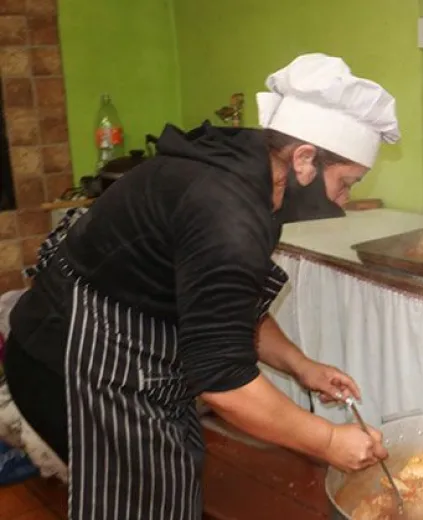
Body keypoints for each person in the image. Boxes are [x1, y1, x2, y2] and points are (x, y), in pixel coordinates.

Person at [0, 53, 400, 519]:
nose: (343, 201)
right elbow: (224, 383)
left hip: (121, 348)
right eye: (345, 183)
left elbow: (226, 307)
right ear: (305, 159)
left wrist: (299, 365)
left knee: (173, 479)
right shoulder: (225, 212)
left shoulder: (251, 177)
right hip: (73, 362)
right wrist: (329, 439)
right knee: (145, 502)